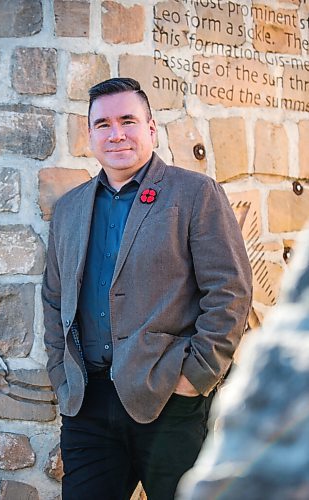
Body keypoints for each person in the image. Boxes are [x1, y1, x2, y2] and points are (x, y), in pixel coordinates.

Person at [42, 77, 252, 500]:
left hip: (169, 401)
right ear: (90, 136)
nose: (116, 133)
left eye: (128, 120)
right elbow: (53, 298)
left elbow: (230, 292)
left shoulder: (195, 193)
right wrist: (60, 376)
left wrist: (196, 377)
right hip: (88, 407)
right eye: (103, 124)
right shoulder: (68, 208)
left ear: (151, 130)